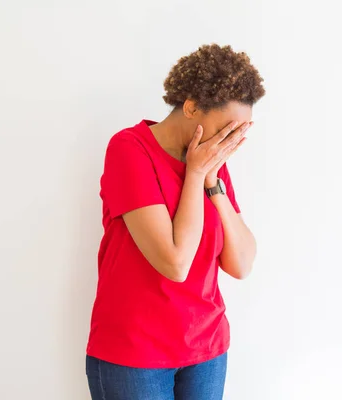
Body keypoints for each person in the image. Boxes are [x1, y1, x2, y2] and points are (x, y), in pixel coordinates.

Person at [85, 44, 266, 400]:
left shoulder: (210, 162)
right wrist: (196, 173)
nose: (226, 143)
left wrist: (212, 183)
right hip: (136, 354)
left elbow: (241, 264)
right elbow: (175, 262)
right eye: (223, 130)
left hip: (206, 351)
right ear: (190, 107)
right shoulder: (129, 149)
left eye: (236, 134)